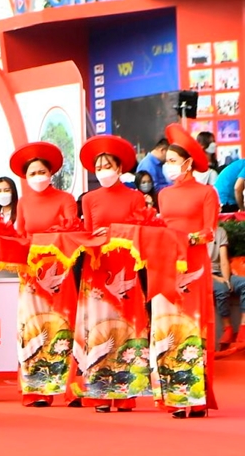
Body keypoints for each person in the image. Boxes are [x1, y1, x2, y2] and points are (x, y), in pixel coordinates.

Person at [74, 135, 149, 413]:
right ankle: (99, 394)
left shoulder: (135, 197)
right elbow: (86, 233)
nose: (104, 171)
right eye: (99, 167)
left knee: (126, 328)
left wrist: (116, 233)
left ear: (119, 169)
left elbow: (143, 233)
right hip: (96, 269)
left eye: (109, 166)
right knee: (98, 328)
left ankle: (126, 394)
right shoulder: (89, 199)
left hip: (125, 269)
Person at [155, 123, 219, 418]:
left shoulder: (207, 193)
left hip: (193, 264)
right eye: (166, 161)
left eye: (172, 161)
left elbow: (209, 232)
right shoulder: (164, 195)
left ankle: (196, 397)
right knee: (168, 326)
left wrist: (189, 238)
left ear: (188, 163)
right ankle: (174, 396)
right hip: (166, 264)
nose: (168, 166)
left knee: (192, 326)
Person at [10, 142, 78, 407]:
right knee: (32, 327)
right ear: (26, 178)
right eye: (32, 173)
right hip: (30, 273)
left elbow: (71, 231)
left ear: (51, 174)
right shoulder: (24, 202)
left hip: (59, 272)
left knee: (62, 326)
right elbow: (20, 235)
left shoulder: (65, 199)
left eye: (41, 172)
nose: (37, 177)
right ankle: (36, 389)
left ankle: (69, 387)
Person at [209, 226, 245, 347]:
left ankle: (243, 327)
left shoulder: (220, 231)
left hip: (221, 272)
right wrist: (218, 279)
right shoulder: (194, 233)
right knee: (222, 289)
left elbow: (223, 259)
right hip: (203, 275)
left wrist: (226, 279)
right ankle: (227, 328)